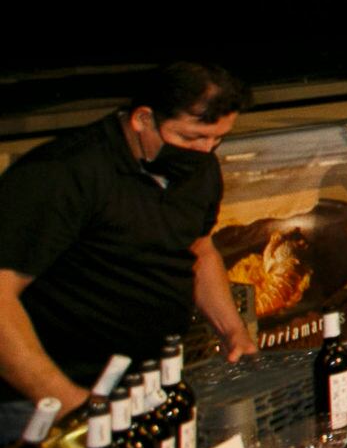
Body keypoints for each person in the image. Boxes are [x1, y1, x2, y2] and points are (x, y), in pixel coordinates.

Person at [0, 62, 255, 408]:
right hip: (57, 394)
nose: (205, 151)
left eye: (217, 139)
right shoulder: (61, 173)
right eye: (191, 137)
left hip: (150, 385)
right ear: (143, 119)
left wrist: (232, 330)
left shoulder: (199, 168)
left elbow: (199, 250)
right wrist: (64, 400)